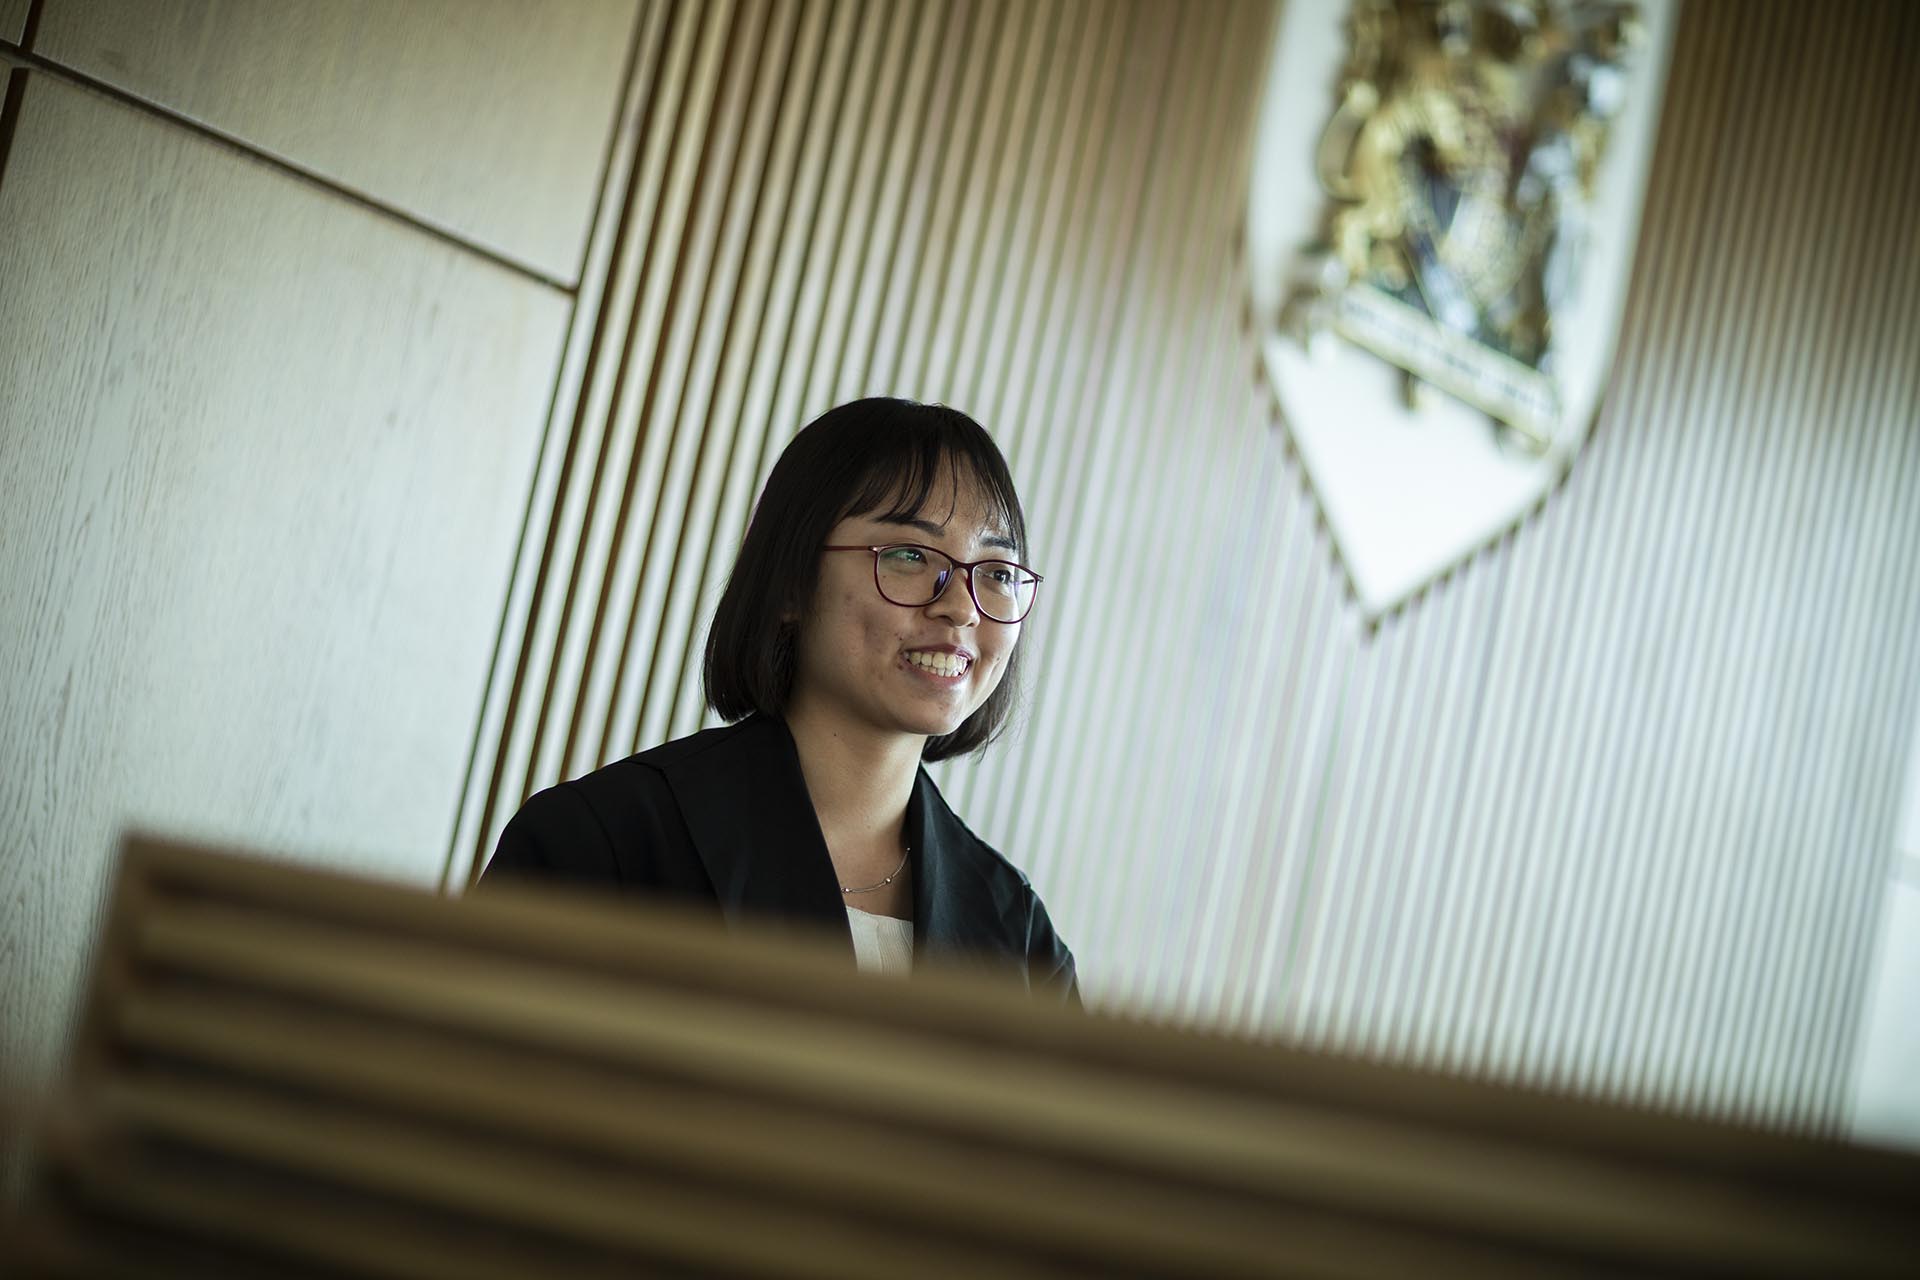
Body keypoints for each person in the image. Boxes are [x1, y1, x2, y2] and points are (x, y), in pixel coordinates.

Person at [484, 397, 1079, 1004]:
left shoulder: (1025, 944)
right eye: (909, 555)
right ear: (792, 582)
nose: (959, 606)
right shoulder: (599, 846)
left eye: (998, 572)